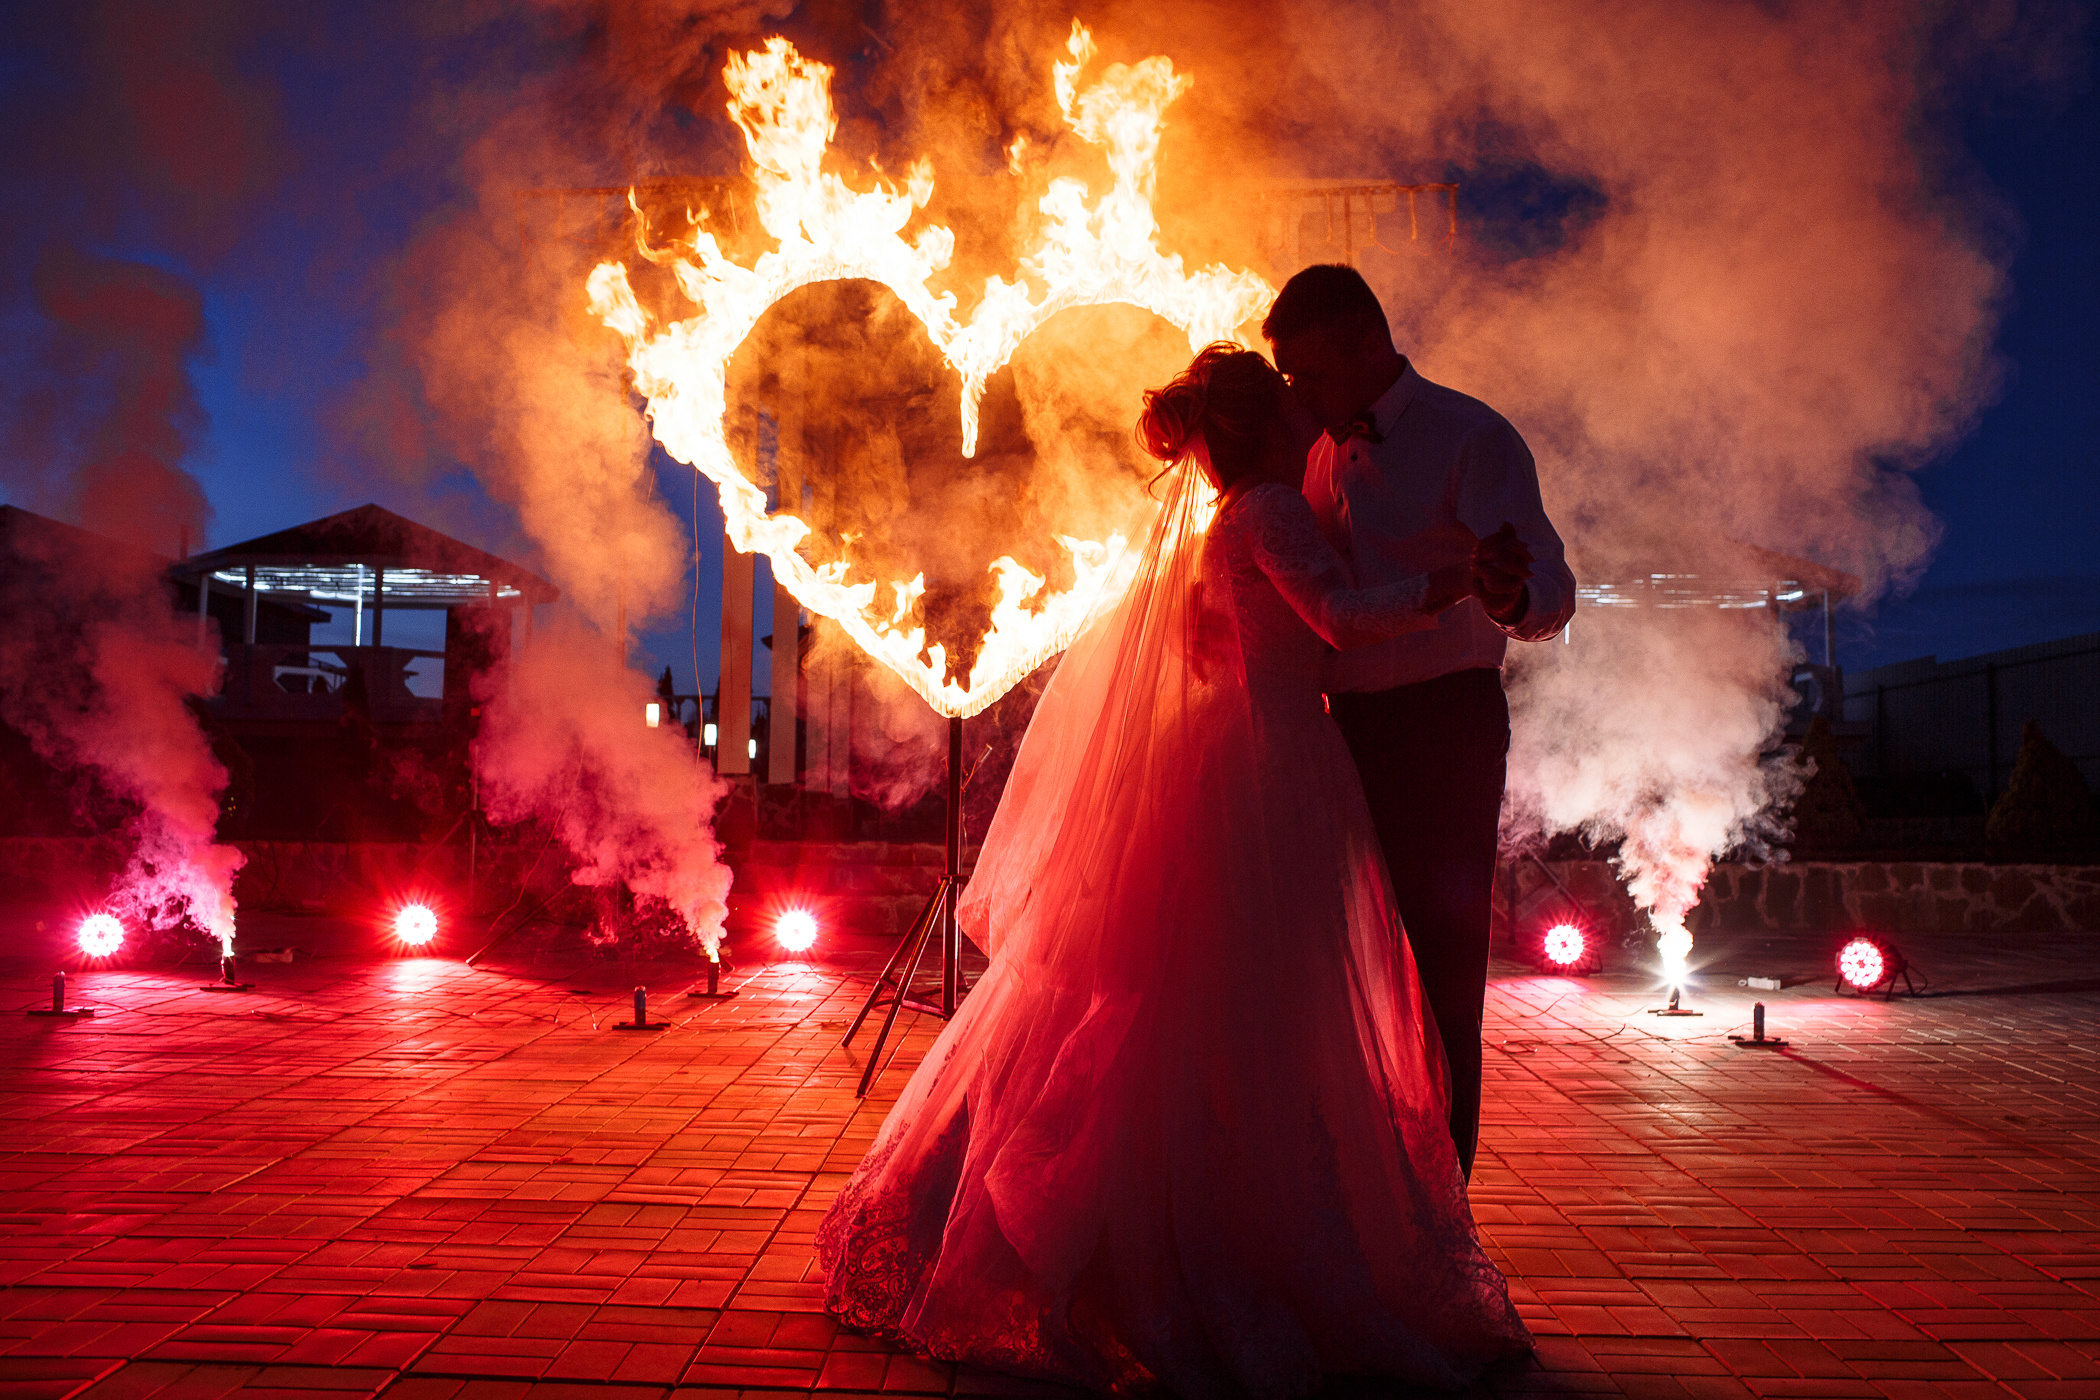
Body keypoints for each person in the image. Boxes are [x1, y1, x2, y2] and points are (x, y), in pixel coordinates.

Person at [818, 343, 1533, 1396]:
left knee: (1187, 1007)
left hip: (1233, 751)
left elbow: (1250, 644)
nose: (1311, 422)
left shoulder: (1225, 525)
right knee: (1251, 1011)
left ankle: (1131, 1209)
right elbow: (1337, 620)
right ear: (1262, 427)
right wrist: (1454, 579)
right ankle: (1204, 1232)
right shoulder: (1271, 513)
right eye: (1291, 409)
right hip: (1271, 766)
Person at [1265, 265, 1576, 1181]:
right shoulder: (1319, 455)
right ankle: (1361, 1196)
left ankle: (1444, 1215)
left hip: (1443, 731)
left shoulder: (1471, 437)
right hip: (1341, 734)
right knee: (1342, 976)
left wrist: (1514, 594)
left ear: (1369, 344)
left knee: (1440, 981)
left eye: (1311, 376)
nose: (1301, 397)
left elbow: (1555, 589)